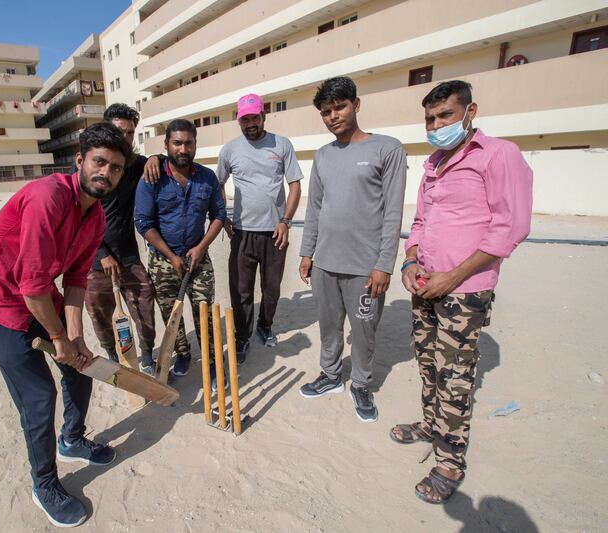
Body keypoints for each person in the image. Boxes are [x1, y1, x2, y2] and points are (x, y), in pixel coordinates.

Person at [0, 122, 131, 528]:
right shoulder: (49, 197)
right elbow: (31, 286)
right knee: (40, 397)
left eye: (114, 168)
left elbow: (75, 280)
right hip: (3, 300)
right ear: (79, 160)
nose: (105, 173)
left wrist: (74, 339)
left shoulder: (94, 217)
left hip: (39, 295)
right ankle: (44, 483)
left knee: (82, 368)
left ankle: (72, 440)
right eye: (99, 162)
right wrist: (58, 336)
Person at [391, 80, 532, 504]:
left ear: (470, 112)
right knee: (429, 364)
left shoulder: (499, 155)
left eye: (445, 116)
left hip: (464, 290)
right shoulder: (434, 163)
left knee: (455, 376)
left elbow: (511, 227)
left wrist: (451, 278)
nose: (436, 125)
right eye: (430, 119)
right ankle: (432, 426)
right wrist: (411, 261)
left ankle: (449, 462)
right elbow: (420, 224)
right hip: (425, 284)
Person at [298, 76, 407, 423]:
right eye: (326, 111)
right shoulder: (323, 156)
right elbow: (314, 208)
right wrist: (306, 253)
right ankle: (330, 376)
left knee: (363, 328)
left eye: (339, 107)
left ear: (356, 105)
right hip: (325, 264)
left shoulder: (387, 149)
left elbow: (393, 212)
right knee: (328, 326)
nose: (333, 116)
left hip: (365, 267)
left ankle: (361, 383)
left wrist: (384, 265)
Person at [134, 119, 226, 385]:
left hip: (198, 258)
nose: (183, 148)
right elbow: (143, 223)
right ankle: (183, 354)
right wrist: (172, 257)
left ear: (195, 144)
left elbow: (218, 215)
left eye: (188, 142)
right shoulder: (152, 178)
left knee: (205, 313)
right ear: (166, 145)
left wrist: (200, 248)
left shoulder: (207, 177)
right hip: (164, 261)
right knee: (171, 314)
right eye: (177, 143)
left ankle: (210, 361)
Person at [215, 93, 303, 361]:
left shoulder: (282, 144)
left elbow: (295, 184)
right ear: (239, 121)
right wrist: (224, 216)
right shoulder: (230, 150)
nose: (250, 123)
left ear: (263, 116)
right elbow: (218, 183)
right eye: (245, 119)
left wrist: (285, 221)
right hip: (241, 233)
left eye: (254, 117)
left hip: (275, 233)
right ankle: (242, 337)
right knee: (240, 289)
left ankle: (264, 326)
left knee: (271, 288)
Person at [83, 104, 158, 375]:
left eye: (130, 133)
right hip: (93, 260)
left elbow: (157, 159)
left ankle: (147, 355)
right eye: (119, 131)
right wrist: (101, 253)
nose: (125, 138)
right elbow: (81, 216)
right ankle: (114, 355)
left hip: (128, 256)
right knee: (100, 313)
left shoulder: (135, 165)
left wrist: (155, 158)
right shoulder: (94, 167)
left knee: (145, 304)